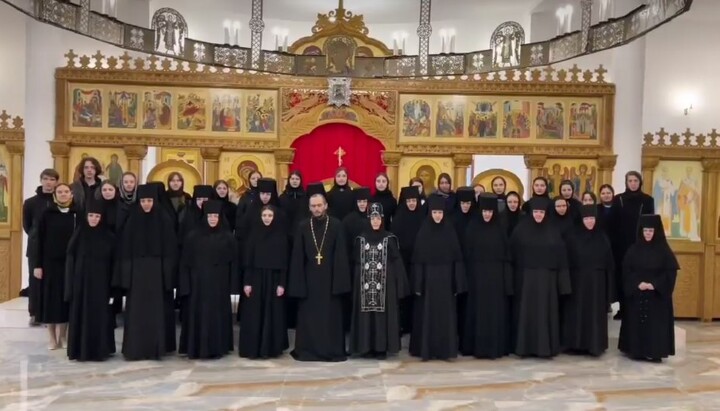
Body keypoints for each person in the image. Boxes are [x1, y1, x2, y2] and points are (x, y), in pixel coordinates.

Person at [114, 184, 178, 360]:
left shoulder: (164, 220)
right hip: (137, 275)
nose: (146, 204)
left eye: (149, 200)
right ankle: (135, 349)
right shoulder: (132, 220)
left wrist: (167, 276)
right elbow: (125, 251)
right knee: (136, 313)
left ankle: (157, 349)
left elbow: (170, 250)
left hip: (158, 274)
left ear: (155, 201)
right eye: (143, 201)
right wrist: (126, 277)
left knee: (157, 312)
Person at [288, 193, 351, 362]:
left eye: (319, 205)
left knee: (330, 316)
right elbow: (297, 257)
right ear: (309, 208)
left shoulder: (336, 225)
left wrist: (340, 283)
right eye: (313, 206)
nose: (316, 209)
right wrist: (298, 283)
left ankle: (331, 349)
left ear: (325, 206)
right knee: (309, 316)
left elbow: (341, 256)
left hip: (331, 279)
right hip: (309, 279)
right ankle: (308, 350)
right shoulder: (303, 226)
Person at [510, 196, 571, 358]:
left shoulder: (553, 230)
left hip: (548, 280)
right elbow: (513, 257)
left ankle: (546, 348)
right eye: (536, 212)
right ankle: (524, 347)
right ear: (531, 212)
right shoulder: (520, 230)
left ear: (545, 213)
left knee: (546, 313)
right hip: (525, 280)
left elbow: (561, 257)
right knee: (526, 313)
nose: (538, 215)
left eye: (541, 212)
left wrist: (563, 284)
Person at [409, 196, 466, 361]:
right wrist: (418, 285)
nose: (437, 216)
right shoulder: (423, 232)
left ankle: (444, 350)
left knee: (445, 315)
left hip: (446, 281)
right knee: (426, 314)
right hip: (427, 282)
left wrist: (457, 284)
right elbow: (418, 261)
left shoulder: (450, 231)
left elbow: (456, 259)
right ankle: (425, 349)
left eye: (440, 212)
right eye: (434, 212)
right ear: (430, 213)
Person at [178, 200, 236, 359]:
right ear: (205, 216)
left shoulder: (227, 237)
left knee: (217, 316)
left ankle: (218, 348)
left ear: (219, 217)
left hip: (219, 285)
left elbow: (233, 263)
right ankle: (196, 348)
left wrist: (232, 285)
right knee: (198, 315)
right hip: (197, 285)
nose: (212, 219)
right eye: (209, 215)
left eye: (215, 216)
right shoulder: (193, 236)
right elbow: (185, 264)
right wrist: (185, 285)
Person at [349, 203, 408, 358]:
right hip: (364, 287)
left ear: (382, 219)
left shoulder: (390, 239)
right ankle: (366, 347)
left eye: (378, 218)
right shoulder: (360, 239)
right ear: (368, 219)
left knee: (383, 317)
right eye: (372, 218)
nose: (375, 221)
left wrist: (399, 286)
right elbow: (355, 265)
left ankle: (381, 348)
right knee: (366, 317)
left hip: (386, 288)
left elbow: (397, 263)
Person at [619, 214, 678, 362]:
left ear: (656, 232)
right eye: (645, 231)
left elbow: (670, 272)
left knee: (655, 326)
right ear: (641, 231)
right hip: (637, 293)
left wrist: (654, 285)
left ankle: (654, 351)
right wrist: (637, 283)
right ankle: (636, 351)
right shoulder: (633, 250)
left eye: (651, 231)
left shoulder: (664, 251)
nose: (648, 234)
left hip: (656, 296)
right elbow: (627, 271)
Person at [462, 194, 513, 359]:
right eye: (484, 211)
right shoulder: (472, 228)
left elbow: (506, 256)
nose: (487, 214)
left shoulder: (500, 229)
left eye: (490, 212)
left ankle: (495, 347)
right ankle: (476, 347)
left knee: (494, 312)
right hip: (477, 278)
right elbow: (467, 255)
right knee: (477, 311)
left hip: (496, 279)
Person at [65, 202, 116, 361]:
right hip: (81, 283)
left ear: (102, 218)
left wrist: (113, 289)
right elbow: (70, 260)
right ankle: (80, 350)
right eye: (91, 216)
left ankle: (100, 350)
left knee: (100, 316)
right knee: (80, 314)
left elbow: (113, 263)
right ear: (86, 217)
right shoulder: (79, 235)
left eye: (97, 216)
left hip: (101, 284)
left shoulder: (109, 237)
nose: (94, 219)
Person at [562, 205, 615, 356]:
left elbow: (609, 265)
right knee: (576, 312)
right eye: (586, 219)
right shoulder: (571, 237)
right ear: (581, 220)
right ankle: (574, 344)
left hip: (597, 284)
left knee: (594, 313)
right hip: (576, 281)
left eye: (592, 218)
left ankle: (594, 345)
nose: (589, 222)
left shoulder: (602, 238)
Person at [31, 183, 78, 350]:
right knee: (51, 300)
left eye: (66, 192)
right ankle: (52, 338)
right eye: (60, 192)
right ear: (55, 195)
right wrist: (37, 265)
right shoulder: (46, 214)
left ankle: (63, 336)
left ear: (71, 194)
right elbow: (39, 241)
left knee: (65, 299)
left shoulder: (76, 213)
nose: (63, 194)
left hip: (69, 263)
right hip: (49, 264)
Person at [239, 205, 289, 359]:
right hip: (255, 279)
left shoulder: (281, 237)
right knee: (254, 313)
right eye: (264, 215)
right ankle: (253, 348)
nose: (267, 218)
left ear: (274, 217)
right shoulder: (253, 236)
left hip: (274, 281)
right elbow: (248, 262)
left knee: (272, 313)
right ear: (260, 217)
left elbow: (284, 264)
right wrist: (247, 283)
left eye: (270, 215)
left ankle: (271, 348)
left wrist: (282, 284)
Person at [611, 171, 655, 320]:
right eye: (630, 181)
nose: (633, 183)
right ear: (626, 182)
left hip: (640, 245)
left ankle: (638, 309)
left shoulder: (647, 200)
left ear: (640, 182)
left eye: (636, 180)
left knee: (639, 276)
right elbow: (614, 224)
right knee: (623, 276)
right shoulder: (618, 199)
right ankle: (623, 309)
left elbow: (650, 224)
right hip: (621, 247)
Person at [22, 168, 59, 324]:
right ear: (41, 180)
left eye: (52, 179)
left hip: (54, 249)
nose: (48, 182)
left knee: (52, 281)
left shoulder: (60, 201)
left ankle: (50, 313)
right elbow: (27, 226)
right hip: (36, 248)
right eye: (46, 178)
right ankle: (35, 313)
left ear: (56, 182)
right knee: (35, 280)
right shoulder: (30, 202)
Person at [392, 186, 426, 334]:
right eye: (409, 201)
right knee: (403, 294)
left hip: (419, 262)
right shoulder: (399, 218)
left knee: (418, 294)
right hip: (403, 262)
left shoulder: (423, 218)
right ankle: (402, 324)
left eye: (414, 200)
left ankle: (416, 325)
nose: (411, 203)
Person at [342, 187, 372, 259]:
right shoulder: (348, 220)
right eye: (359, 201)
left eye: (364, 201)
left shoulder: (374, 217)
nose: (362, 204)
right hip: (353, 258)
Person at [278, 170, 308, 239]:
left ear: (300, 181)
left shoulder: (306, 196)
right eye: (292, 179)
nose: (295, 181)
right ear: (289, 180)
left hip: (301, 231)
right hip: (286, 231)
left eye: (297, 179)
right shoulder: (282, 197)